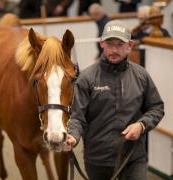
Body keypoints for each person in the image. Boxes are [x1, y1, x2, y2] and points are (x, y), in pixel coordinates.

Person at [65, 20, 164, 180]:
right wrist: (73, 136)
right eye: (110, 44)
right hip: (97, 158)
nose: (114, 50)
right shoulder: (86, 78)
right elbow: (77, 117)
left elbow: (156, 108)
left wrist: (142, 125)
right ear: (102, 43)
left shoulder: (141, 76)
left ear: (130, 45)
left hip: (133, 157)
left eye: (120, 44)